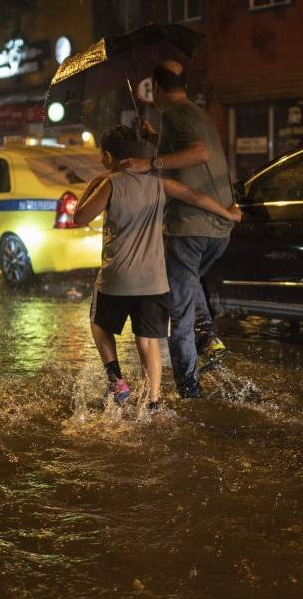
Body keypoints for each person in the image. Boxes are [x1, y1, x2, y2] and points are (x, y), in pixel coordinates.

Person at [74, 126, 240, 409]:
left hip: (118, 279)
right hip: (154, 282)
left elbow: (80, 217)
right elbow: (194, 197)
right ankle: (153, 402)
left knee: (98, 323)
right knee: (149, 340)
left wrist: (95, 183)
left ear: (107, 156)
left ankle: (117, 380)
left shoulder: (109, 183)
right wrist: (229, 213)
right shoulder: (158, 182)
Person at [122, 59, 236, 399]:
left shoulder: (173, 114)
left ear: (156, 87)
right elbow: (193, 149)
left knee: (179, 310)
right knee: (187, 283)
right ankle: (207, 337)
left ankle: (190, 390)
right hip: (219, 228)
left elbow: (198, 154)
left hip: (190, 226)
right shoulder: (199, 114)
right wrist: (155, 139)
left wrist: (152, 162)